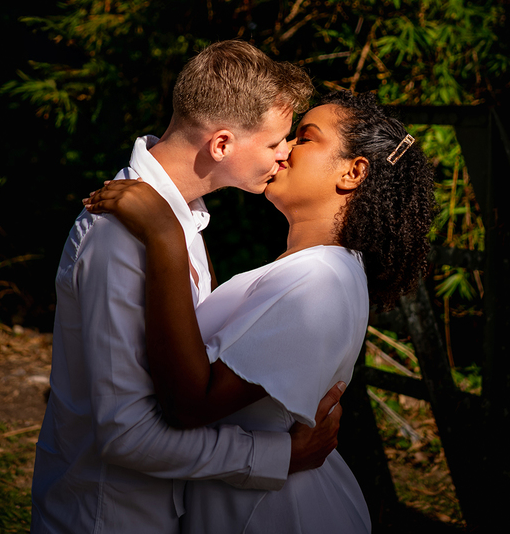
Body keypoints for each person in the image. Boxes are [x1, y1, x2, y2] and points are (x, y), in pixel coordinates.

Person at [84, 90, 436, 533]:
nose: (284, 149)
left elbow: (190, 405)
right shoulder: (311, 269)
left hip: (281, 516)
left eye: (305, 138)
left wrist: (165, 236)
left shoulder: (320, 281)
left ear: (352, 172)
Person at [31, 41, 347, 534]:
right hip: (110, 516)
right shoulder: (121, 235)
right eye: (275, 143)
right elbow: (127, 435)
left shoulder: (180, 218)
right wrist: (280, 455)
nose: (285, 156)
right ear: (221, 145)